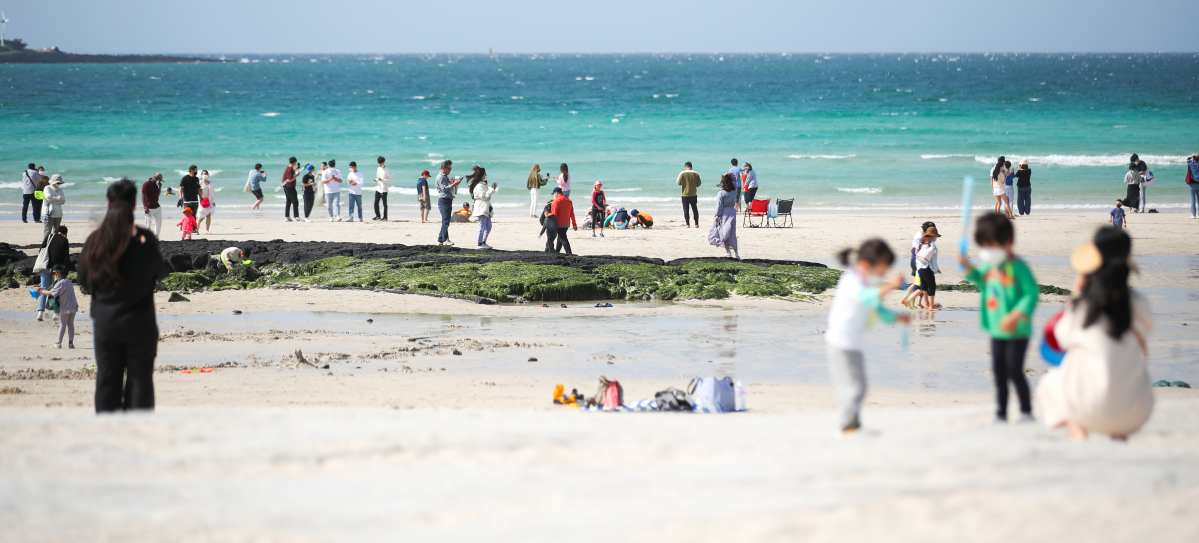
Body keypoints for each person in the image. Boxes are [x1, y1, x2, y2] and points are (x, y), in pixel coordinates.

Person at [1037, 228, 1153, 440]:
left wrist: (1077, 294)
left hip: (1088, 410)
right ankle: (1120, 435)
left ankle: (1077, 431)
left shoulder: (1082, 306)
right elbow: (1147, 328)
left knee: (1049, 383)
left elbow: (1061, 339)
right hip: (1135, 412)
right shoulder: (1138, 302)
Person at [77, 179, 168, 412]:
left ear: (109, 205)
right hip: (141, 323)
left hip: (107, 324)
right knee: (140, 380)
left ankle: (109, 438)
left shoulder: (95, 241)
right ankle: (135, 437)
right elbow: (162, 273)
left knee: (107, 380)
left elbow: (84, 282)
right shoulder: (145, 240)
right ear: (134, 207)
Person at [958, 213, 1040, 423]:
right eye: (984, 247)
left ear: (1008, 242)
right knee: (999, 372)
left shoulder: (1018, 266)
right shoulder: (991, 266)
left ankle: (1025, 412)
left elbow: (1032, 293)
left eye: (991, 246)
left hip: (1017, 330)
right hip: (996, 329)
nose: (987, 251)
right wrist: (968, 268)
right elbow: (981, 279)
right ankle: (1001, 413)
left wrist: (1015, 315)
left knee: (1014, 371)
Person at [826, 238, 910, 433]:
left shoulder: (864, 283)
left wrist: (898, 318)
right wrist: (890, 286)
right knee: (853, 389)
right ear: (866, 264)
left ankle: (853, 424)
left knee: (859, 387)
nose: (883, 275)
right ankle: (848, 427)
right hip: (840, 343)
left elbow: (877, 308)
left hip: (854, 344)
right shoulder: (852, 281)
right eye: (882, 270)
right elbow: (865, 298)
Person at [36, 264, 78, 349]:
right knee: (70, 324)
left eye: (53, 274)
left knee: (62, 324)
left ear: (57, 273)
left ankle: (58, 343)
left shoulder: (60, 283)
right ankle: (70, 343)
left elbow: (51, 293)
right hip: (73, 306)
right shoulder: (68, 281)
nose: (52, 276)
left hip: (65, 307)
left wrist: (40, 291)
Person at [35, 225, 72, 322]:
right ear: (65, 233)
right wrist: (66, 271)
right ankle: (56, 313)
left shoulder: (49, 237)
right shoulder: (64, 240)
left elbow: (41, 250)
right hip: (57, 270)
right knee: (57, 291)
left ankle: (40, 313)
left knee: (43, 289)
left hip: (45, 266)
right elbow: (65, 257)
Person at [710, 173, 740, 259]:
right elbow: (736, 180)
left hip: (724, 213)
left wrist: (717, 216)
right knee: (732, 233)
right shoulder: (735, 190)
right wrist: (730, 175)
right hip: (732, 211)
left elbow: (719, 207)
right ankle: (736, 253)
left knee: (724, 233)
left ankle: (728, 252)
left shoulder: (721, 193)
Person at [914, 227, 942, 311]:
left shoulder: (924, 243)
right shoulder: (931, 244)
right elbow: (932, 259)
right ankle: (931, 307)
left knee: (923, 287)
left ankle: (907, 300)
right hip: (926, 267)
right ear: (932, 236)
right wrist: (936, 269)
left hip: (920, 267)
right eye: (936, 236)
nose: (936, 238)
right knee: (931, 286)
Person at [435, 160, 461, 245]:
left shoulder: (444, 177)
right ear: (443, 168)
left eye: (450, 168)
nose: (450, 170)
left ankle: (440, 239)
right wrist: (454, 184)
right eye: (449, 169)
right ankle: (445, 239)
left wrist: (451, 183)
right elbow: (444, 189)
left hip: (447, 200)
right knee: (446, 221)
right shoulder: (441, 177)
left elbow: (446, 187)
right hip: (444, 200)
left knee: (445, 220)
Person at [470, 168, 498, 249]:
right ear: (481, 175)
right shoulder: (479, 186)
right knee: (482, 225)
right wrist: (491, 190)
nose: (486, 175)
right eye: (485, 174)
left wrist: (491, 189)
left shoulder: (482, 184)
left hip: (486, 207)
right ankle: (479, 243)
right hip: (481, 207)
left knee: (488, 226)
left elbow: (486, 195)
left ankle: (483, 241)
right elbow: (484, 196)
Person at [41, 175, 66, 245]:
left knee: (57, 232)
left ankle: (55, 246)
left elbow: (63, 201)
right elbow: (48, 198)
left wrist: (54, 199)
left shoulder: (60, 190)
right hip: (49, 213)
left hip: (58, 213)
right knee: (47, 231)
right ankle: (44, 246)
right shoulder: (47, 188)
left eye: (59, 183)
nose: (59, 184)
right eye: (58, 183)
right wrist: (58, 198)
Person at [551, 187, 577, 254]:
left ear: (556, 193)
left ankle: (569, 253)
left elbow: (554, 214)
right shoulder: (569, 201)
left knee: (563, 238)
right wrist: (574, 224)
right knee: (560, 238)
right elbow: (572, 214)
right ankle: (557, 252)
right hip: (566, 223)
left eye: (554, 194)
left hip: (558, 223)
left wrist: (552, 224)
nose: (554, 195)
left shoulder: (556, 201)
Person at [677, 162, 702, 228]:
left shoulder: (682, 173)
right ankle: (696, 224)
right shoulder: (696, 174)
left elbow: (678, 183)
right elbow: (699, 184)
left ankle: (687, 224)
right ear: (691, 167)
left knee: (686, 210)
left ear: (685, 167)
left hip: (685, 194)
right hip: (693, 194)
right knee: (695, 209)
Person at [197, 170, 216, 235]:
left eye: (206, 174)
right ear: (201, 175)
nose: (205, 175)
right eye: (203, 174)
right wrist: (200, 200)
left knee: (208, 216)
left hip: (209, 201)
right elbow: (198, 192)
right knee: (201, 216)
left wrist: (213, 201)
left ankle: (207, 230)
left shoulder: (211, 183)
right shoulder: (200, 183)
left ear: (208, 175)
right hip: (202, 202)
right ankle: (197, 228)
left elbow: (213, 192)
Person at [373, 156, 391, 221]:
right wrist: (376, 180)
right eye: (378, 163)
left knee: (384, 204)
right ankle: (378, 216)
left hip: (384, 189)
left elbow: (390, 179)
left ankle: (385, 217)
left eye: (380, 163)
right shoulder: (378, 169)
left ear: (383, 162)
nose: (379, 164)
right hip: (378, 188)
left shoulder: (387, 170)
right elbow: (378, 177)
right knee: (376, 202)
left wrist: (382, 180)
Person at [282, 157, 300, 222]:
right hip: (290, 187)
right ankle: (296, 216)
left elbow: (290, 174)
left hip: (286, 187)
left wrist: (295, 169)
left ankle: (287, 216)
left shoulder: (288, 168)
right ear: (294, 162)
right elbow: (289, 180)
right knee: (295, 202)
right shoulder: (290, 169)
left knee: (288, 201)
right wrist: (296, 176)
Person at [1189, 154, 1199, 219]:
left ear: (1193, 159)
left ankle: (1193, 215)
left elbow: (1188, 159)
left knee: (1193, 200)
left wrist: (1191, 156)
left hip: (1192, 184)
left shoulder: (1191, 164)